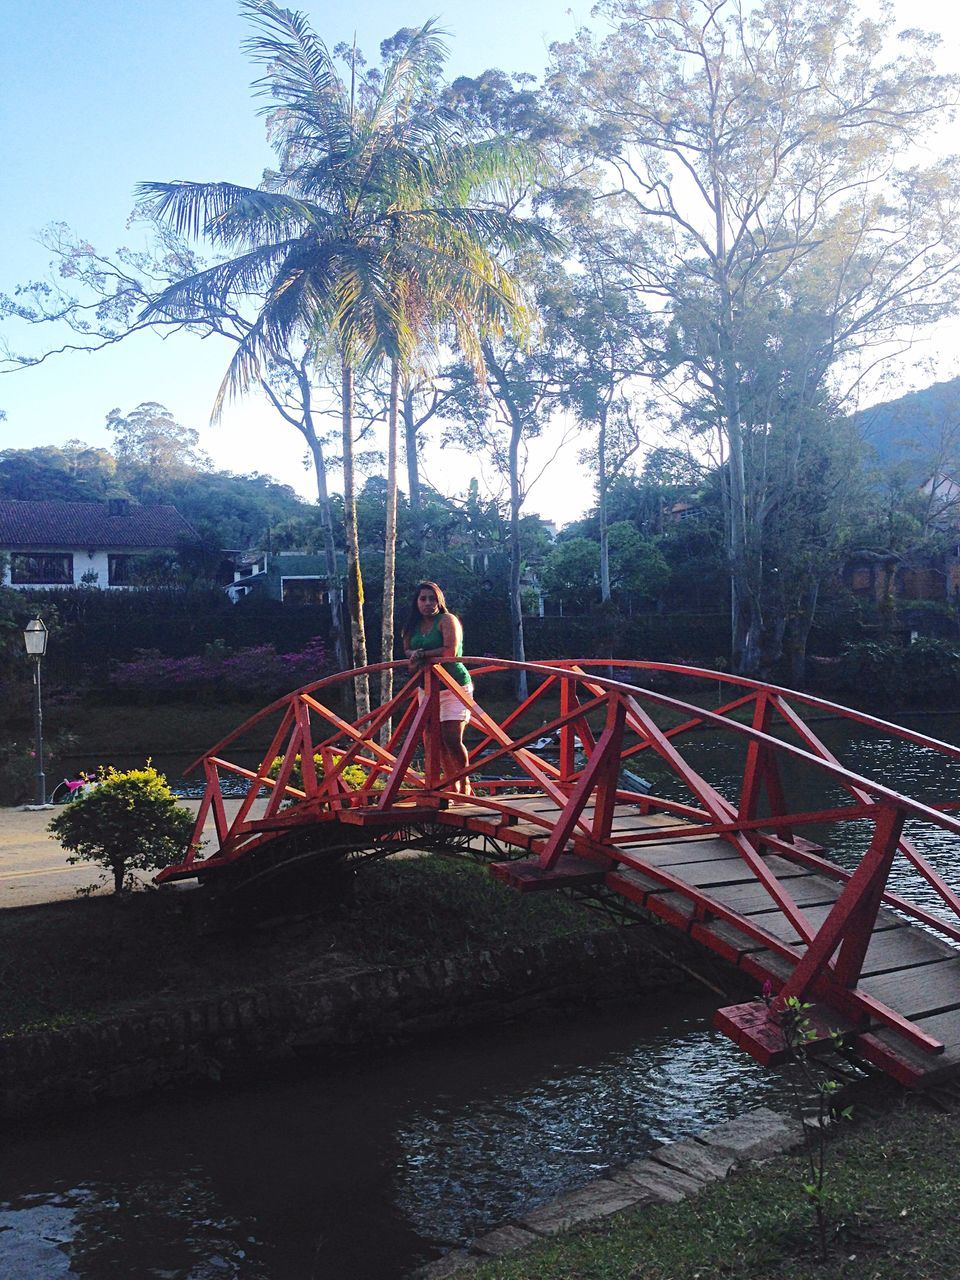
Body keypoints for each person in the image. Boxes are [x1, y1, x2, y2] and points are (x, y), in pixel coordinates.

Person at [401, 581, 473, 795]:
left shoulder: (447, 620)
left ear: (439, 601)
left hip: (454, 686)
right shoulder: (410, 626)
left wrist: (422, 654)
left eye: (432, 598)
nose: (428, 603)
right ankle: (452, 785)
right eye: (423, 598)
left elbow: (450, 652)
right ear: (416, 602)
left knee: (451, 738)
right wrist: (414, 655)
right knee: (434, 740)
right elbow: (406, 650)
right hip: (428, 689)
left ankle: (465, 783)